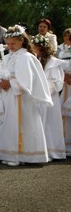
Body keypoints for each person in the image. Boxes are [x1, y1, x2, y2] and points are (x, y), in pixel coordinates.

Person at [0, 25, 52, 167]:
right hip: (8, 97)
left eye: (13, 43)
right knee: (8, 123)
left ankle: (21, 155)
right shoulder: (7, 57)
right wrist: (0, 82)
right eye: (8, 43)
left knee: (20, 124)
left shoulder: (26, 57)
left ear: (21, 41)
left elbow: (26, 80)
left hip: (21, 98)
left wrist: (11, 82)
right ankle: (8, 153)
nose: (10, 46)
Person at [32, 34, 66, 161]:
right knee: (39, 123)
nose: (33, 49)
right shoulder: (35, 60)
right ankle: (39, 150)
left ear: (40, 48)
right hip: (37, 97)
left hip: (50, 98)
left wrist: (44, 90)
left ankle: (52, 151)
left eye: (34, 47)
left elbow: (57, 82)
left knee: (50, 124)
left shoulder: (53, 63)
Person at [56, 28, 71, 156]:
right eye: (65, 35)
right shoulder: (61, 48)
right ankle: (65, 143)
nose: (67, 37)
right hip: (64, 81)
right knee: (63, 112)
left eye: (69, 35)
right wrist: (64, 75)